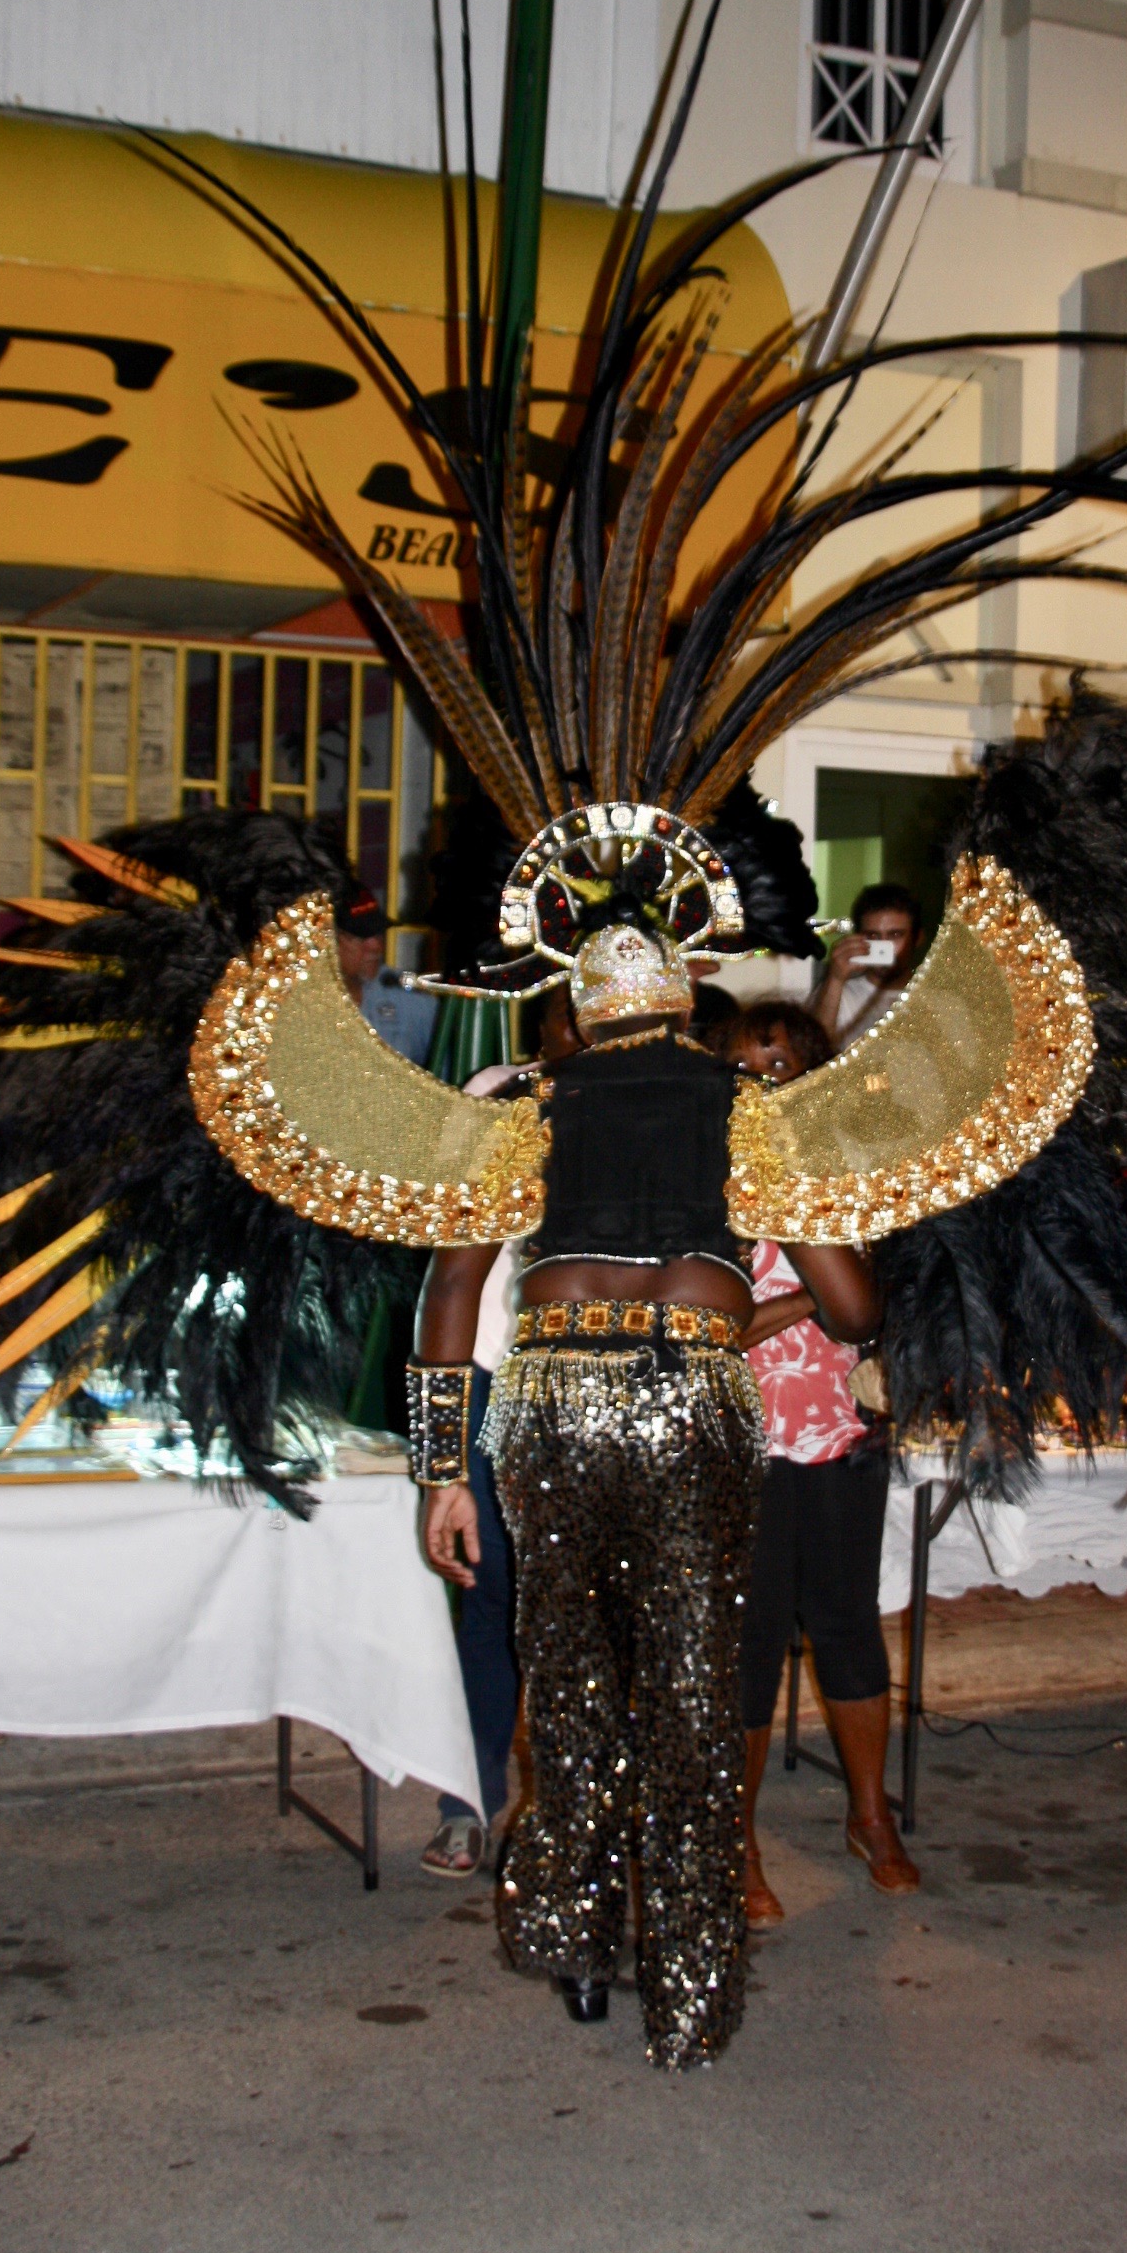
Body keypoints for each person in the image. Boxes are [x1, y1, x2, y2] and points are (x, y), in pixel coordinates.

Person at [416, 921, 882, 2068]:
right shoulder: (748, 1107)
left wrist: (441, 1472)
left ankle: (576, 1949)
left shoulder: (519, 1105)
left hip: (551, 1399)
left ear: (581, 1011)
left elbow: (450, 1293)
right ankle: (689, 1984)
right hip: (693, 1401)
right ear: (683, 1007)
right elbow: (852, 1307)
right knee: (689, 1683)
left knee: (568, 1676)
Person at [723, 1003, 918, 1927]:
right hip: (741, 1444)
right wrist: (821, 1286)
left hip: (843, 1435)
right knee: (749, 1644)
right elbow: (716, 1328)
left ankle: (870, 1818)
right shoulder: (711, 1184)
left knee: (848, 1627)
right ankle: (738, 1841)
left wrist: (849, 1299)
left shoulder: (851, 1173)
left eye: (782, 1066)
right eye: (745, 1067)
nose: (764, 1083)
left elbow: (884, 1307)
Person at [419, 982, 579, 1880]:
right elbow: (450, 1275)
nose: (587, 1028)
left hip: (607, 1390)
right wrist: (439, 1462)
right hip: (493, 1375)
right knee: (493, 1593)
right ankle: (470, 1800)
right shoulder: (499, 1092)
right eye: (569, 1014)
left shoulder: (671, 1097)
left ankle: (571, 1820)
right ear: (542, 1021)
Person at [336, 880, 439, 1066]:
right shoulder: (301, 1005)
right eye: (360, 936)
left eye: (378, 933)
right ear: (328, 941)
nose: (376, 946)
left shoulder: (409, 1000)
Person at [813, 881, 925, 1047]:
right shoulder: (839, 994)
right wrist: (835, 978)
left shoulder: (935, 997)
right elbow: (814, 1050)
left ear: (918, 938)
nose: (884, 945)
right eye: (873, 936)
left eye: (895, 935)